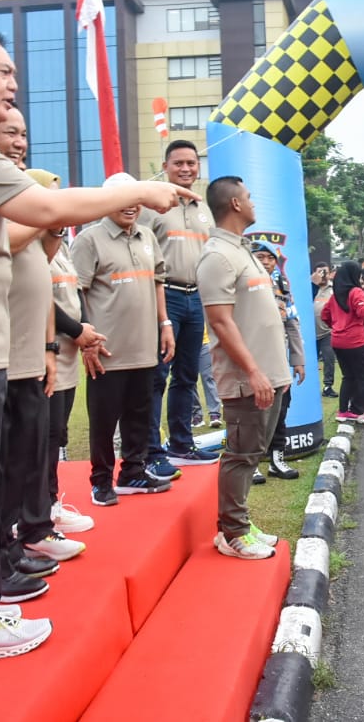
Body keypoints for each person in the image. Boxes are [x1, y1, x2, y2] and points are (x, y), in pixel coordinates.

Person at [0, 26, 196, 665]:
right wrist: (139, 191)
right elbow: (38, 207)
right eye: (2, 71)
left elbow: (33, 219)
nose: (12, 84)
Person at [0, 115, 85, 580]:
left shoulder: (29, 221)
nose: (20, 143)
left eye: (24, 134)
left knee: (26, 458)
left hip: (30, 357)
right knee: (0, 466)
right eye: (10, 133)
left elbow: (40, 285)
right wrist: (42, 214)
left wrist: (48, 348)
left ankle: (14, 544)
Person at [197, 176, 292, 559]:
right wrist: (253, 372)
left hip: (271, 374)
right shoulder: (217, 256)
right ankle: (232, 533)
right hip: (246, 380)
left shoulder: (245, 251)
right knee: (240, 455)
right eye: (249, 197)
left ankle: (239, 522)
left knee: (254, 452)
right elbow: (220, 322)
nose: (254, 202)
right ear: (235, 204)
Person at [72, 171, 176, 507]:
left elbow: (158, 281)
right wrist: (86, 338)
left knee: (139, 415)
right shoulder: (89, 240)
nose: (130, 208)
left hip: (145, 346)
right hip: (108, 349)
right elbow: (78, 291)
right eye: (123, 200)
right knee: (103, 420)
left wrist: (165, 323)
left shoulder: (147, 235)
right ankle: (100, 480)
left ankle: (133, 471)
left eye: (136, 201)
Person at [139, 139, 221, 474]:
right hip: (164, 297)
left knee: (187, 376)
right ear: (166, 165)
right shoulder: (151, 205)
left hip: (195, 298)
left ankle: (181, 445)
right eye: (178, 164)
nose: (186, 169)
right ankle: (150, 450)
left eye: (191, 163)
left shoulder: (204, 208)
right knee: (157, 375)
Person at [39, 166, 98, 536]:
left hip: (66, 357)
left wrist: (84, 330)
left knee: (57, 434)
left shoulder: (59, 247)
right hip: (45, 354)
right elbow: (42, 300)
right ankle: (39, 511)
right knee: (42, 437)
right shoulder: (31, 246)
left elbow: (74, 296)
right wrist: (78, 331)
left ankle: (49, 504)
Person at [252, 242, 306, 480]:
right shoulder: (243, 284)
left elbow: (292, 324)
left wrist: (298, 359)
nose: (265, 262)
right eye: (260, 257)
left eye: (270, 258)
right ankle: (251, 462)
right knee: (250, 411)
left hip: (278, 358)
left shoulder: (282, 285)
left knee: (281, 408)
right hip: (251, 358)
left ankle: (276, 459)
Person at [321, 261, 364, 428]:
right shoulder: (356, 292)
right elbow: (362, 312)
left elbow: (324, 315)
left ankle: (343, 411)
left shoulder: (335, 296)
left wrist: (336, 325)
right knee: (363, 378)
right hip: (355, 341)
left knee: (348, 376)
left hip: (337, 341)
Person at [312, 270, 339, 398]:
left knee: (329, 359)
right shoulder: (309, 288)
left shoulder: (334, 289)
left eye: (325, 272)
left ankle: (328, 386)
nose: (322, 275)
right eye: (319, 272)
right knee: (310, 361)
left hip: (327, 331)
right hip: (310, 332)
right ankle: (308, 387)